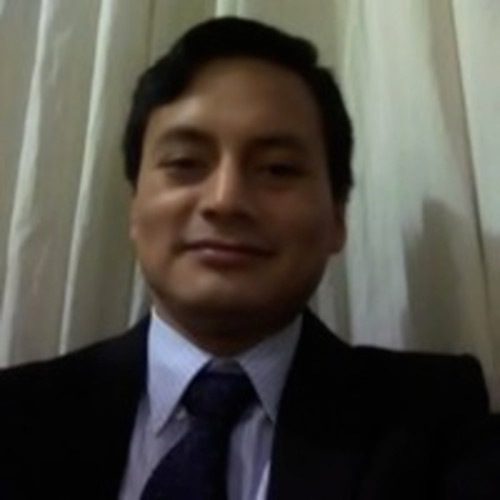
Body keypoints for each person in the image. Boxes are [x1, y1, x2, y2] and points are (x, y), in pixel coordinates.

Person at [0, 17, 490, 500]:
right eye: (185, 163)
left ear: (337, 215)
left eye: (277, 169)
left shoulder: (435, 421)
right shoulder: (17, 416)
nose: (226, 200)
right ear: (134, 206)